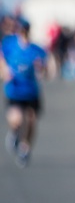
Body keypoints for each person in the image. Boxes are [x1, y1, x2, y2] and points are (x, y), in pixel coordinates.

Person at [1, 17, 48, 167]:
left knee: (31, 120)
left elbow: (46, 67)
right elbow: (1, 59)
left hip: (31, 91)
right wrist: (4, 71)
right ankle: (15, 134)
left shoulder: (36, 49)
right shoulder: (10, 45)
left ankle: (25, 148)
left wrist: (42, 69)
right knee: (17, 119)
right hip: (14, 91)